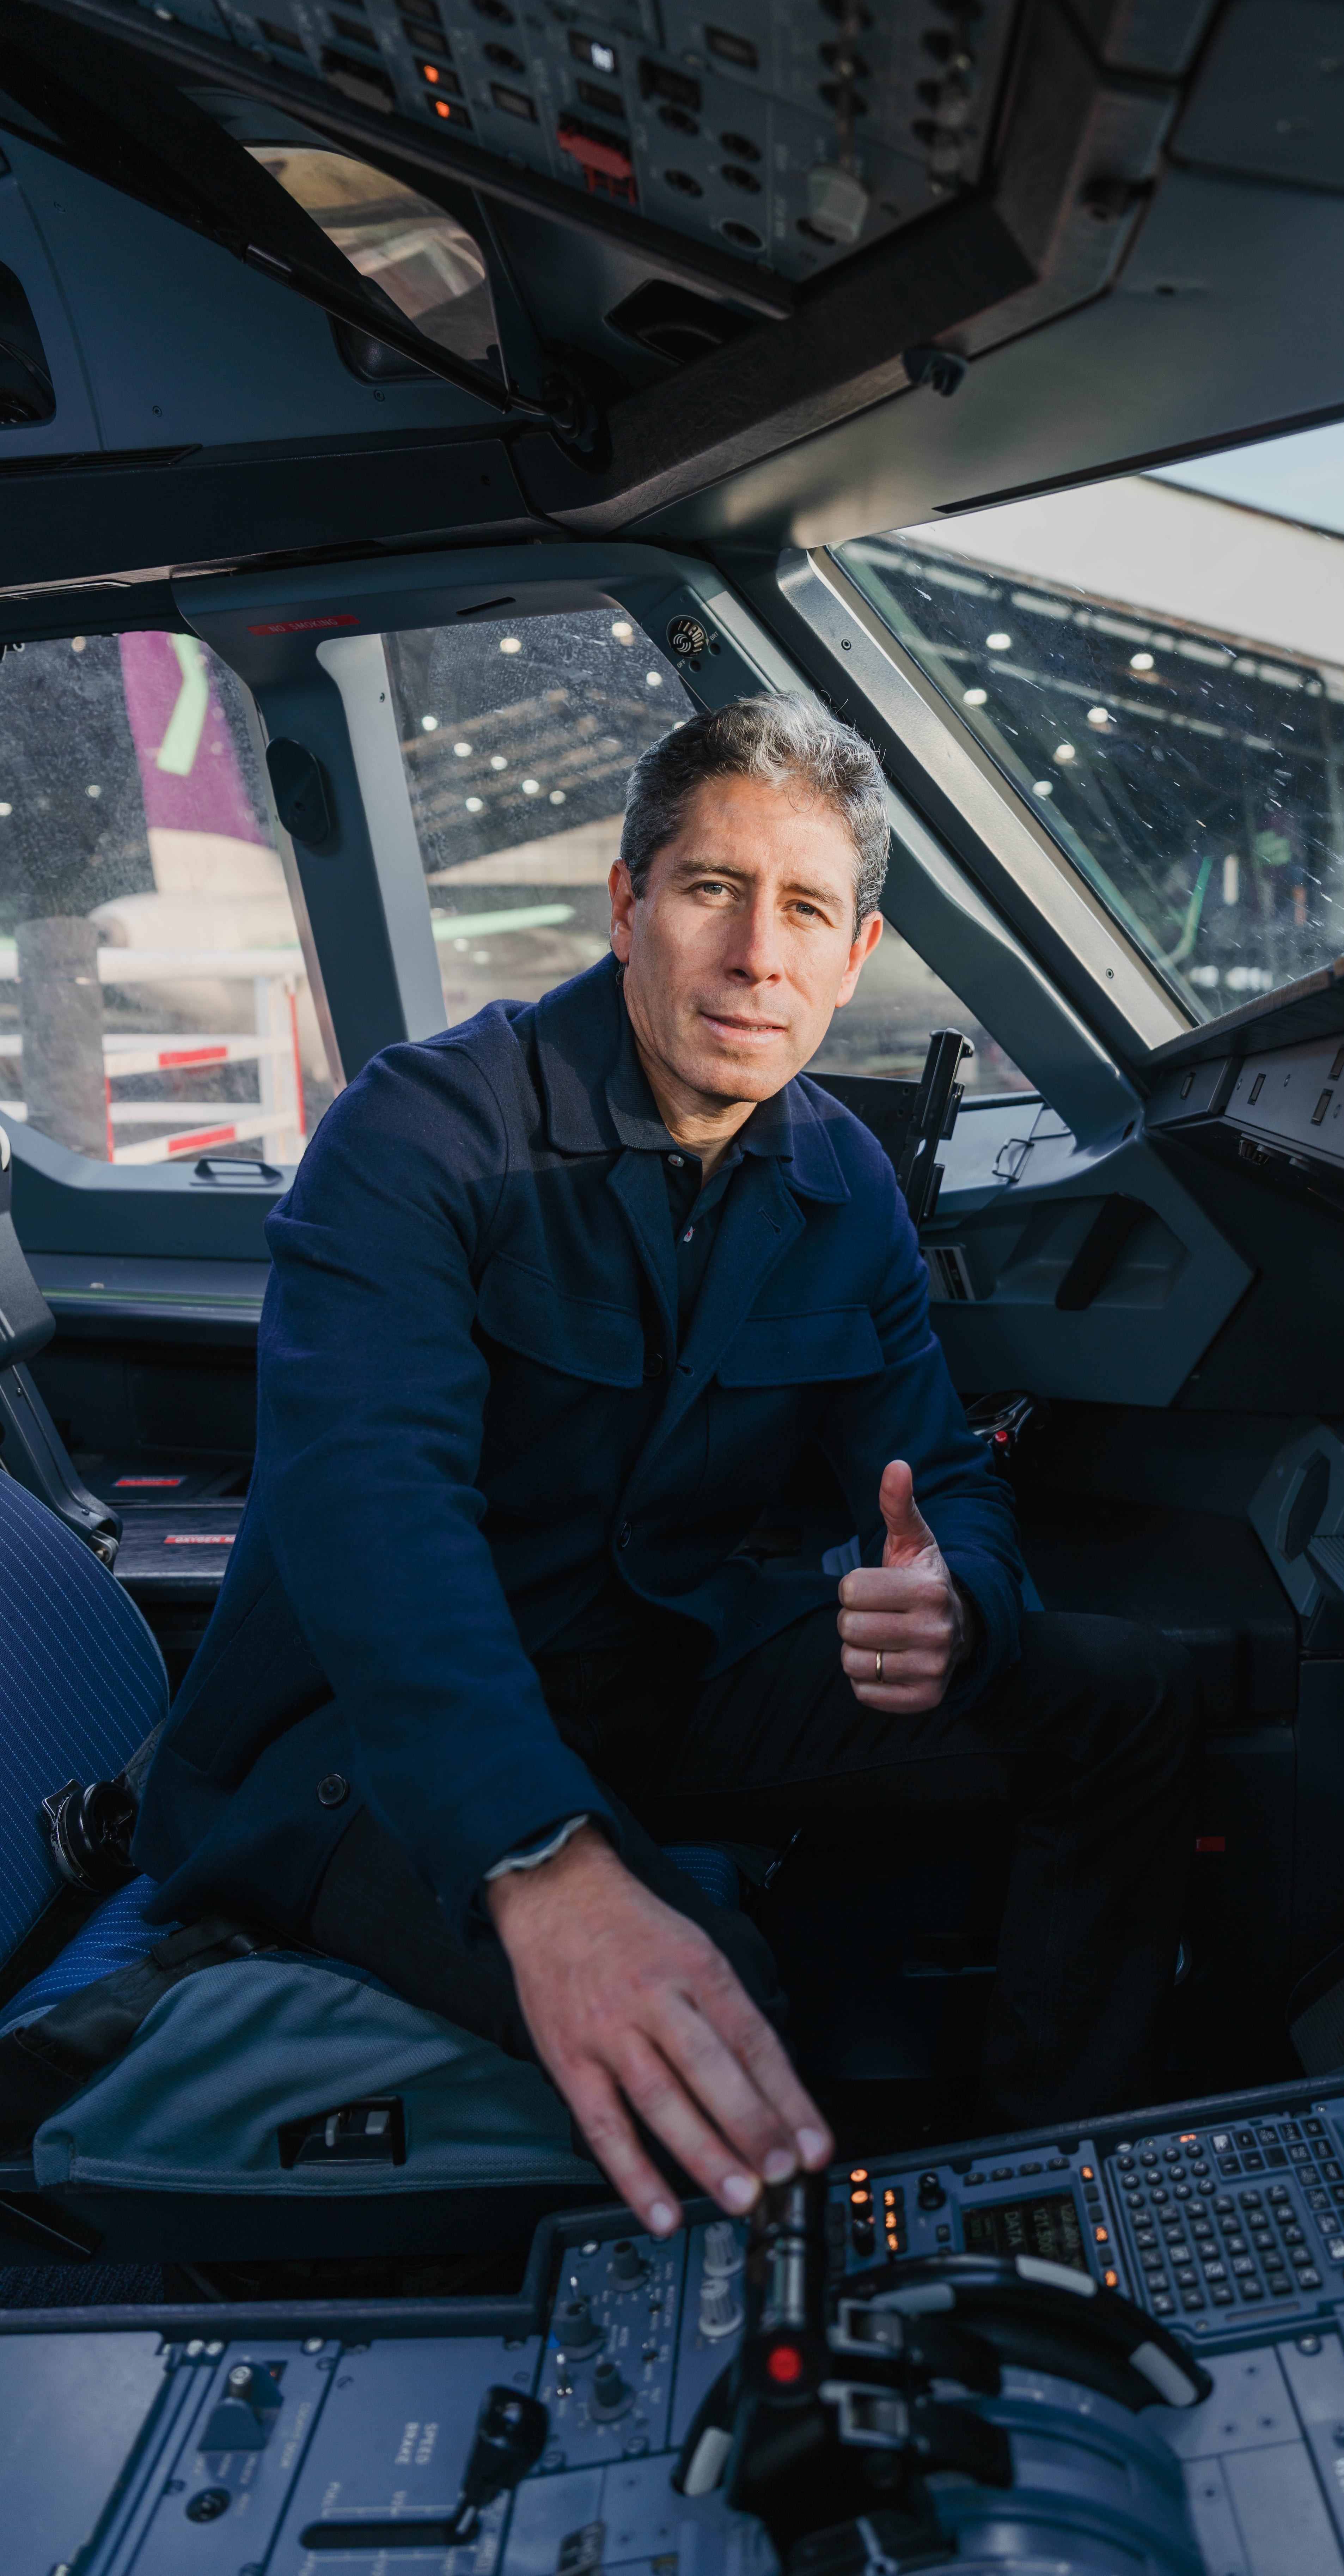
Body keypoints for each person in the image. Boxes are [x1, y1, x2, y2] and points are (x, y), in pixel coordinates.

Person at [137, 691, 1196, 2235]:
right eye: (712, 890)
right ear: (627, 904)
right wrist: (545, 1867)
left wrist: (958, 1598)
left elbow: (941, 1472)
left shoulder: (840, 1182)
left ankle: (1049, 2207)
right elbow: (382, 1531)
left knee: (1127, 1699)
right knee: (714, 2012)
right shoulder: (421, 1136)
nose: (757, 954)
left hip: (654, 1680)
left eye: (806, 911)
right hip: (364, 1750)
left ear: (857, 957)